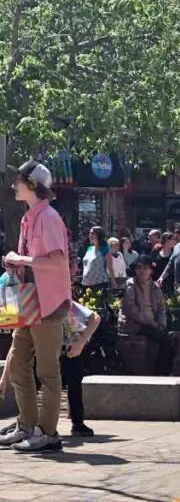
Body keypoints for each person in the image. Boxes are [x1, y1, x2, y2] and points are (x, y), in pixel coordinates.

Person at [0, 160, 73, 452]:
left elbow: (57, 261)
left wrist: (21, 260)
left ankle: (48, 434)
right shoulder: (29, 217)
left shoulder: (49, 218)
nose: (13, 185)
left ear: (32, 185)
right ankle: (27, 425)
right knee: (17, 364)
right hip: (29, 302)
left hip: (47, 304)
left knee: (47, 371)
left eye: (18, 180)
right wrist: (16, 264)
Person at [121, 256, 178, 376]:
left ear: (151, 270)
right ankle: (159, 374)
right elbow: (131, 311)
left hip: (153, 325)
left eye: (146, 268)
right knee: (166, 338)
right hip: (135, 325)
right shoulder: (130, 285)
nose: (142, 271)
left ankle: (165, 372)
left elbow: (162, 308)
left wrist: (161, 325)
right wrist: (153, 324)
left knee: (173, 338)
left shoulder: (155, 287)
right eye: (139, 267)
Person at [59, 301, 101, 438]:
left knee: (74, 385)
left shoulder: (65, 303)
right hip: (53, 350)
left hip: (69, 349)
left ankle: (77, 423)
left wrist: (81, 343)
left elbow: (95, 318)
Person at [80, 226, 114, 291]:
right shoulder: (89, 248)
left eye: (92, 233)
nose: (90, 235)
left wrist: (113, 281)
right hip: (86, 283)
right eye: (89, 233)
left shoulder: (105, 249)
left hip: (100, 283)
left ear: (99, 235)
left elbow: (110, 267)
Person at [152, 232, 176, 298]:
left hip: (170, 283)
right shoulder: (156, 251)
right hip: (157, 282)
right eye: (172, 239)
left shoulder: (175, 253)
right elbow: (151, 263)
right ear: (166, 240)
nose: (174, 241)